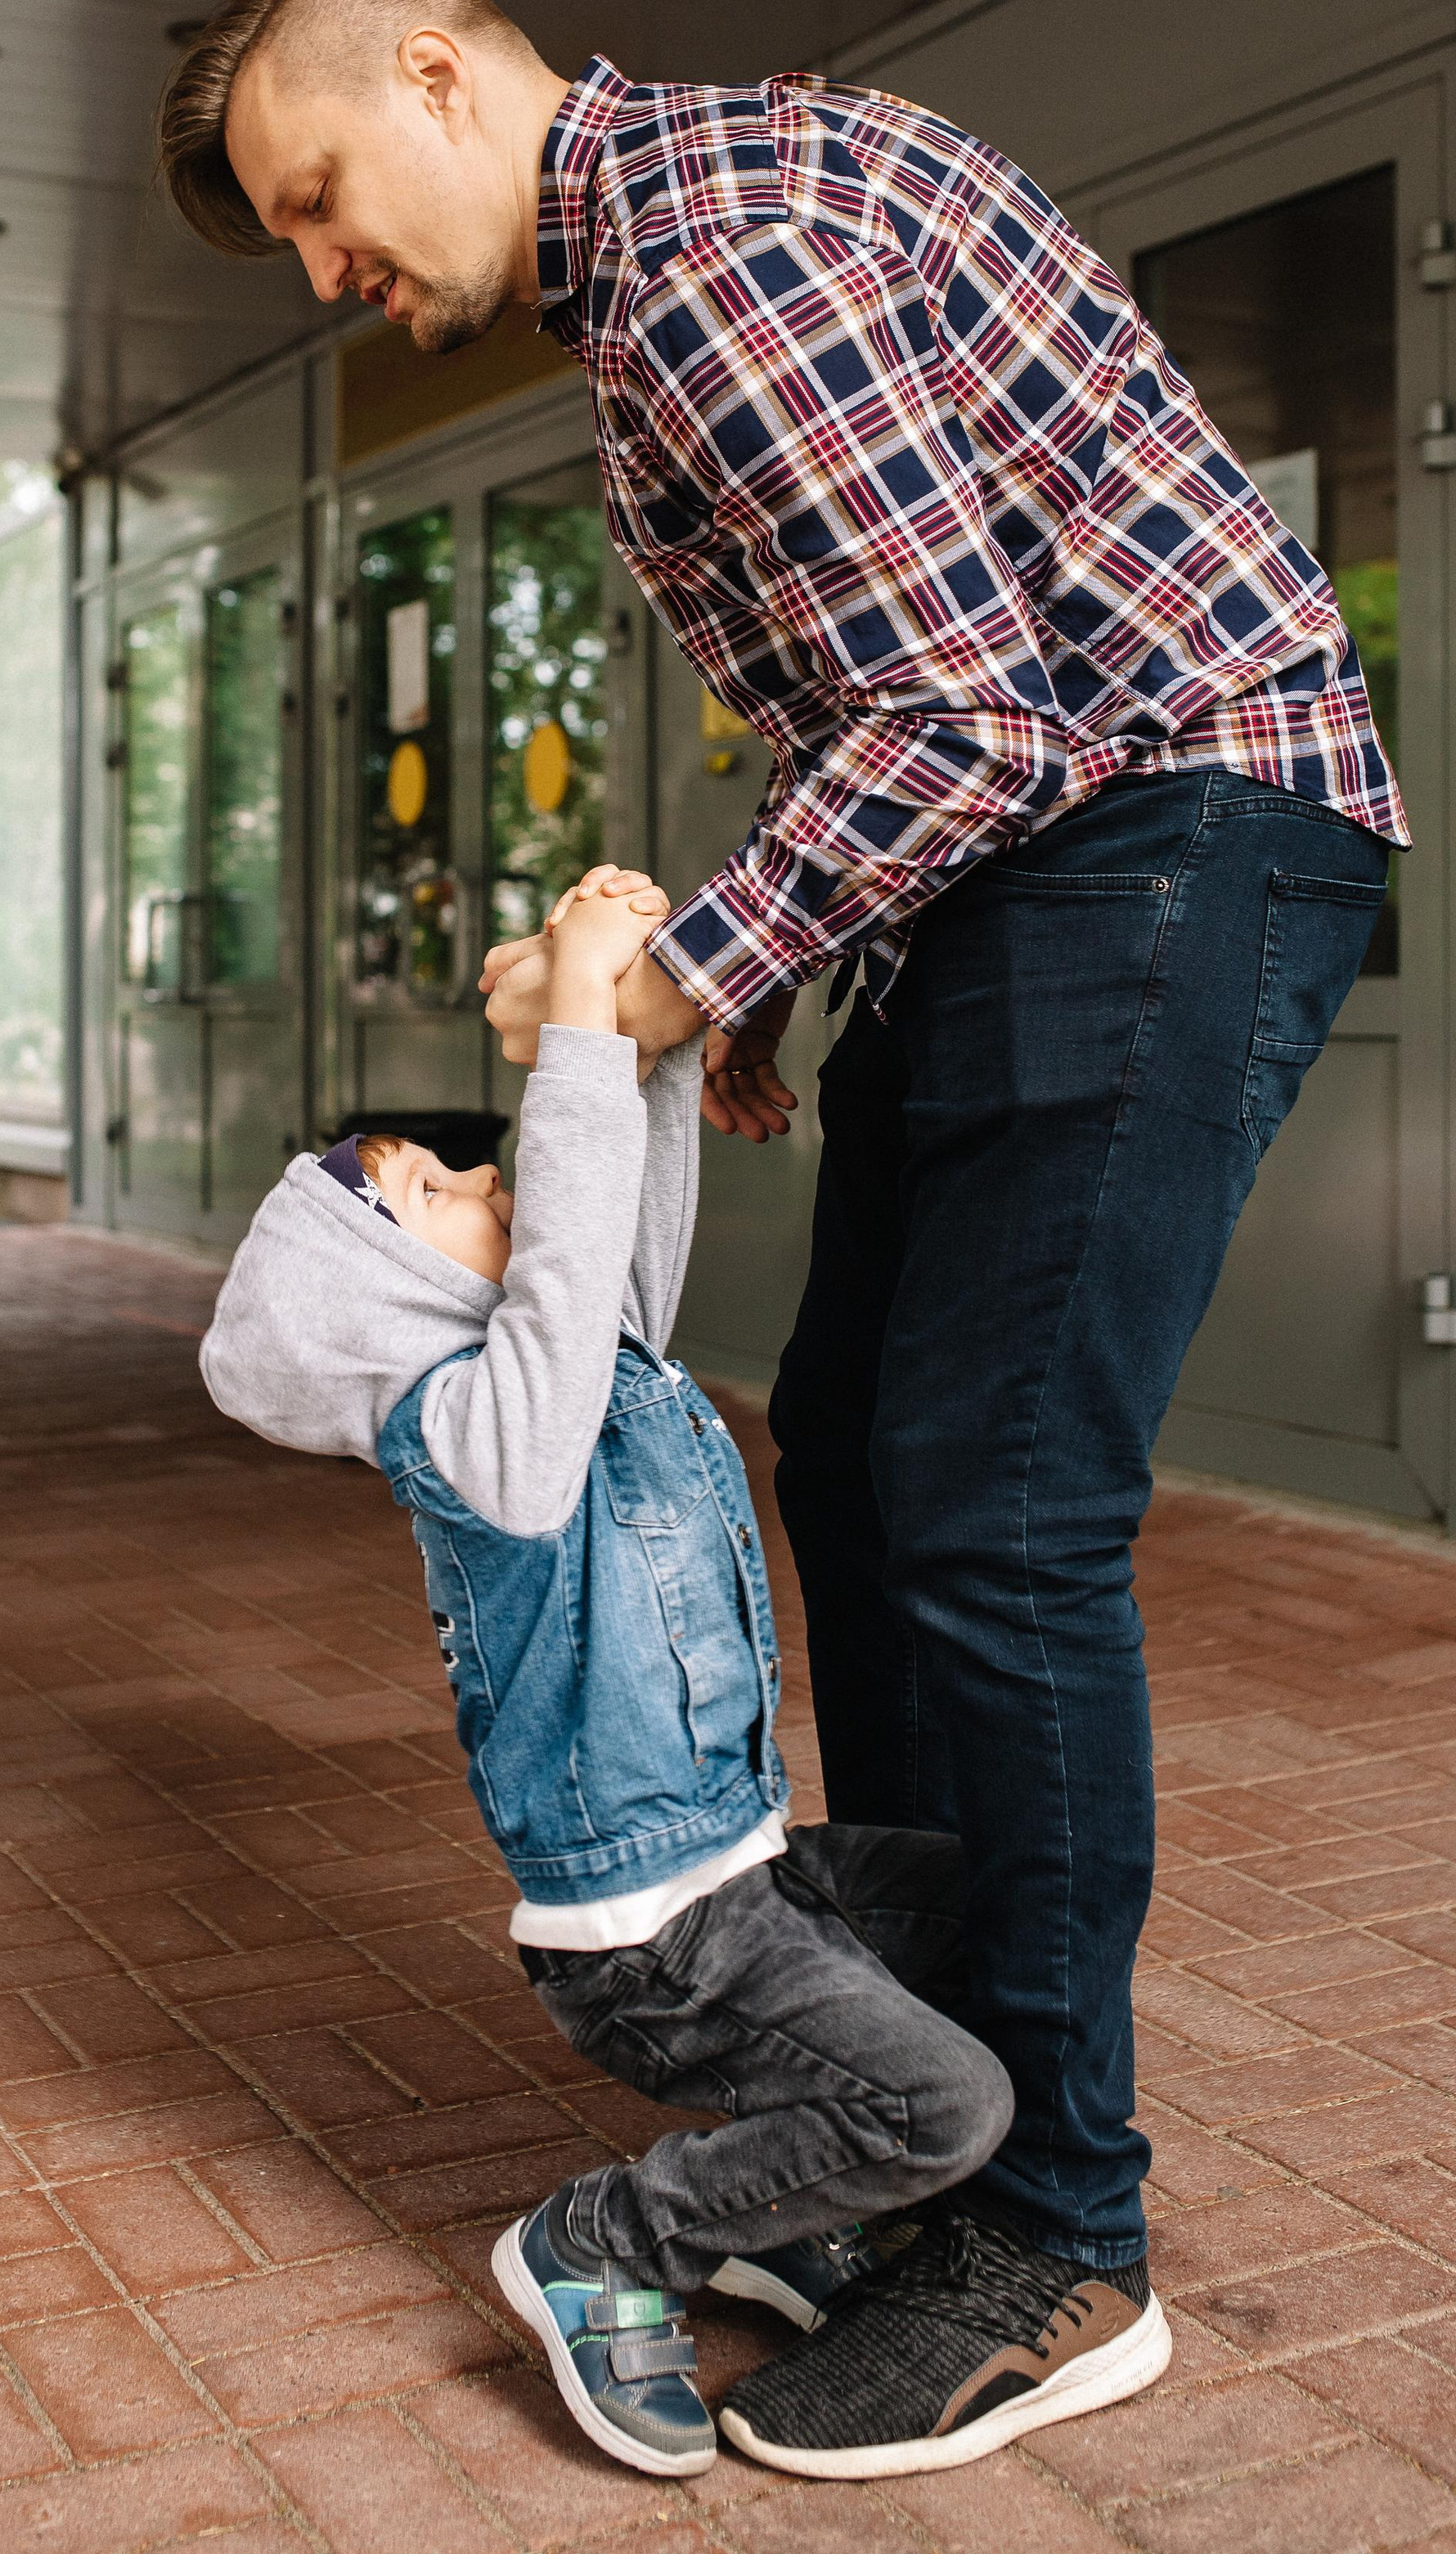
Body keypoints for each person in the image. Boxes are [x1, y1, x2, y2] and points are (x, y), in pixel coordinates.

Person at [157, 0, 1405, 2477]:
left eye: (317, 198)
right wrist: (760, 986)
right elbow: (911, 688)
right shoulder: (669, 298)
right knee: (849, 1459)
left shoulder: (719, 244)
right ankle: (928, 2136)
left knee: (995, 1515)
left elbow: (968, 715)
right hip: (1039, 868)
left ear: (430, 72)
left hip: (1172, 843)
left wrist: (686, 969)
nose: (325, 273)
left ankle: (1055, 2233)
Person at [196, 874, 1032, 2481]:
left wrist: (650, 1046)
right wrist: (573, 1027)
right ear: (387, 1297)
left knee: (1017, 1906)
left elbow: (614, 1248)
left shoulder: (586, 1378)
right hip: (651, 1943)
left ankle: (782, 2219)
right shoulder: (467, 1440)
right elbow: (564, 1278)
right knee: (948, 2110)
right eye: (437, 1188)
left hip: (745, 1878)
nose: (485, 1175)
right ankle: (607, 2239)